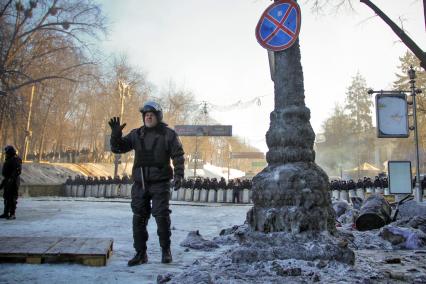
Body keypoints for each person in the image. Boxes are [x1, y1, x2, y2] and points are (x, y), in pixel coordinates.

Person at [109, 101, 184, 266]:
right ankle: (140, 253)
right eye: (146, 115)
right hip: (140, 183)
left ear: (158, 116)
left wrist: (179, 175)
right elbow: (118, 148)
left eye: (151, 115)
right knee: (138, 218)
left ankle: (166, 251)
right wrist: (115, 135)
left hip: (160, 183)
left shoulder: (169, 134)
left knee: (161, 217)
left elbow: (178, 155)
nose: (148, 117)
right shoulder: (137, 134)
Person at [0, 145, 22, 220]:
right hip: (7, 179)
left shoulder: (15, 159)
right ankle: (6, 212)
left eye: (6, 152)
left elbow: (17, 170)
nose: (5, 154)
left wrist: (11, 178)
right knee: (6, 197)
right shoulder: (9, 159)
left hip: (14, 181)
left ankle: (12, 214)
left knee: (12, 197)